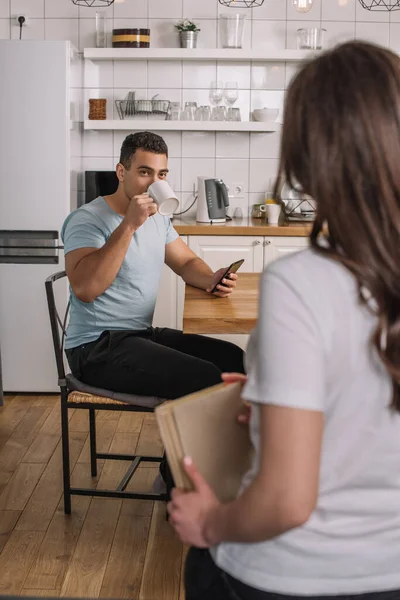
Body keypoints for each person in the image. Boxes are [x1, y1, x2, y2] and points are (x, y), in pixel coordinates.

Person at [167, 41, 400, 600]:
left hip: (292, 575)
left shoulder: (302, 282)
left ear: (308, 152)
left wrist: (209, 522)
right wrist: (277, 400)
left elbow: (286, 502)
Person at [61, 131, 245, 490]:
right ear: (121, 171)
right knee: (203, 378)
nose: (154, 182)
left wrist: (211, 278)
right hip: (96, 348)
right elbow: (85, 289)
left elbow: (186, 261)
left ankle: (210, 467)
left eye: (161, 175)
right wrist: (129, 224)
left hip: (138, 337)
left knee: (232, 359)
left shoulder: (159, 217)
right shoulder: (88, 220)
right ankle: (179, 482)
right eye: (145, 172)